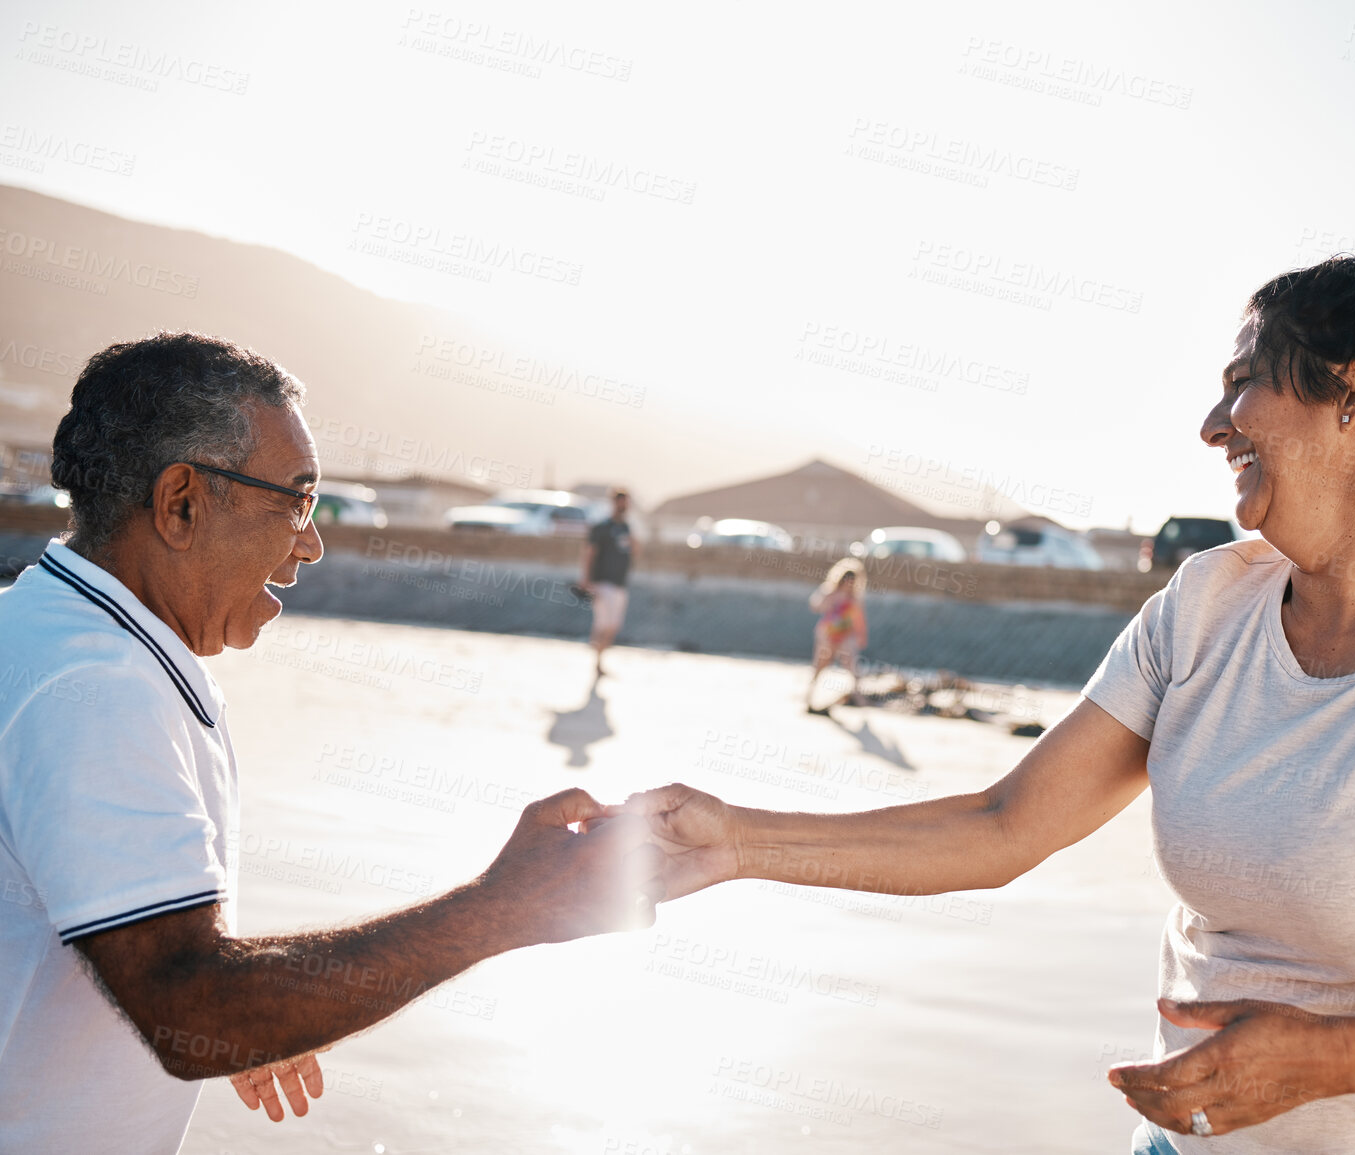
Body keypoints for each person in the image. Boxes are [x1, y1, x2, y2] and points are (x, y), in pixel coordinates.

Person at [622, 256, 1355, 1153]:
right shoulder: (1206, 605)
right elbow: (1001, 827)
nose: (1215, 425)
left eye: (1245, 383)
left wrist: (1330, 1061)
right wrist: (737, 842)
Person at [0, 333, 665, 1153]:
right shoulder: (98, 686)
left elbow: (155, 962)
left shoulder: (48, 629)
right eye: (297, 499)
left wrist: (262, 1003)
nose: (311, 542)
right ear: (181, 503)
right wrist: (502, 908)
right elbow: (186, 1004)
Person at [579, 488, 634, 677]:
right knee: (604, 625)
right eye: (623, 502)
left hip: (620, 584)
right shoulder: (602, 527)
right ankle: (597, 661)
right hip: (603, 583)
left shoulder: (626, 527)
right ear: (616, 502)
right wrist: (586, 579)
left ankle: (598, 657)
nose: (626, 506)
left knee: (613, 625)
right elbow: (589, 553)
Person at [806, 558, 868, 713]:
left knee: (851, 666)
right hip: (828, 635)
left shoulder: (854, 598)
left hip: (846, 636)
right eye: (847, 579)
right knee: (820, 665)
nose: (849, 583)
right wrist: (829, 601)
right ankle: (809, 697)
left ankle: (858, 698)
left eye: (852, 580)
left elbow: (859, 619)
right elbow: (815, 606)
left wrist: (861, 635)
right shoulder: (830, 592)